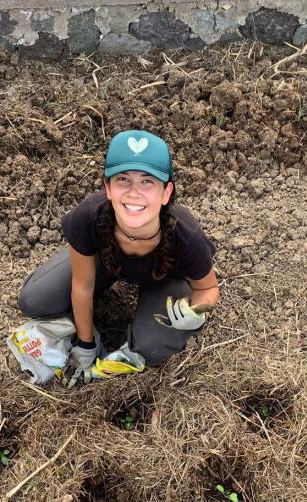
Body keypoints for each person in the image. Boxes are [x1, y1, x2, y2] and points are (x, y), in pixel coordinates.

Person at [17, 129, 220, 387]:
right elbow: (82, 285)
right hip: (106, 261)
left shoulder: (185, 235)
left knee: (152, 346)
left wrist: (197, 311)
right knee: (34, 300)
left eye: (148, 181)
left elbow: (208, 288)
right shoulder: (89, 217)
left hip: (164, 276)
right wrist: (85, 342)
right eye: (123, 179)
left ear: (166, 192)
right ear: (108, 188)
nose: (134, 193)